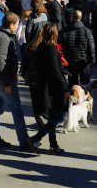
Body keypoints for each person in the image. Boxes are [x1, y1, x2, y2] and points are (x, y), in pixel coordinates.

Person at [0, 12, 32, 150]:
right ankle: (24, 142)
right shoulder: (3, 38)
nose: (19, 26)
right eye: (18, 24)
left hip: (0, 79)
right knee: (17, 110)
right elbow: (0, 62)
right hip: (2, 80)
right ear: (11, 25)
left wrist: (11, 74)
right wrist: (7, 82)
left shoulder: (3, 35)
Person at [29, 22, 69, 155]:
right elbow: (55, 71)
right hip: (54, 88)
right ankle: (35, 138)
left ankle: (53, 145)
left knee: (52, 117)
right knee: (58, 117)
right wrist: (65, 88)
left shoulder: (41, 46)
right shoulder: (50, 48)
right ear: (54, 33)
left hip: (45, 86)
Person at [59, 10, 95, 86]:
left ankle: (73, 96)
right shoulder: (86, 31)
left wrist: (61, 59)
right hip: (83, 59)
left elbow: (60, 45)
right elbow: (91, 46)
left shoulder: (65, 31)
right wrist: (92, 59)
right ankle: (84, 96)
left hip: (70, 59)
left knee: (72, 82)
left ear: (72, 18)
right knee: (85, 82)